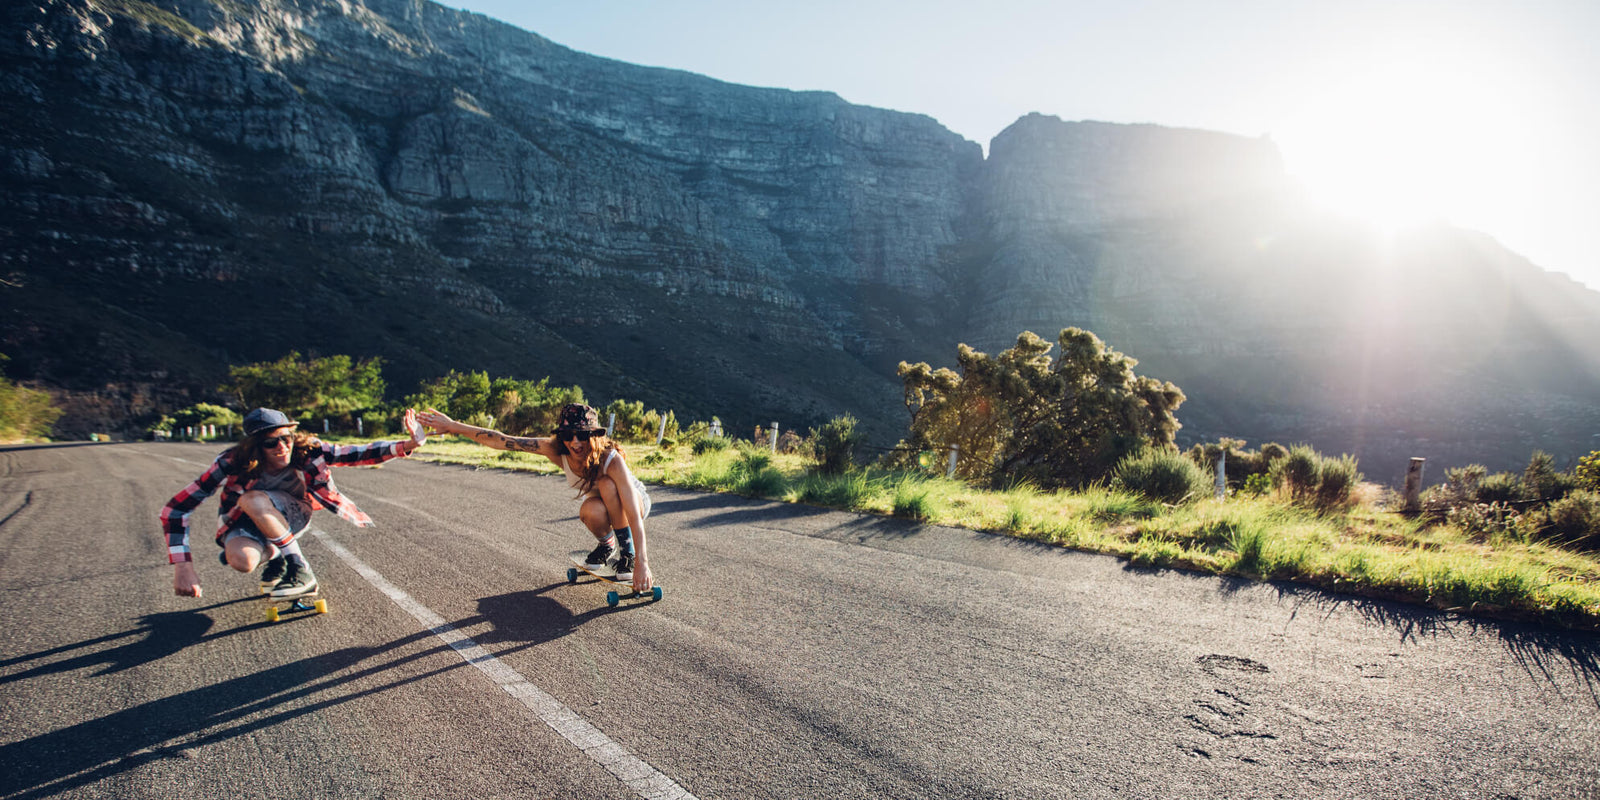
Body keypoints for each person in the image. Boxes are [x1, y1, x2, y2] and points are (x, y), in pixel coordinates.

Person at [160, 407, 429, 599]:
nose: (282, 447)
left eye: (285, 438)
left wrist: (408, 443)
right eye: (271, 443)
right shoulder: (232, 462)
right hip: (245, 521)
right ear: (254, 446)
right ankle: (277, 554)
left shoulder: (307, 449)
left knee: (251, 498)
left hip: (294, 513)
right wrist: (183, 567)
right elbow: (175, 509)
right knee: (242, 561)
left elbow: (356, 453)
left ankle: (301, 569)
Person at [416, 403, 654, 593]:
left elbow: (633, 513)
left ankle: (627, 553)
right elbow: (500, 440)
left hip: (634, 503)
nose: (575, 443)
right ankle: (607, 545)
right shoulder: (555, 449)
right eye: (568, 436)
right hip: (603, 505)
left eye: (581, 435)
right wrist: (452, 426)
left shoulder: (610, 458)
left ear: (593, 435)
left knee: (605, 483)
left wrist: (642, 562)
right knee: (589, 510)